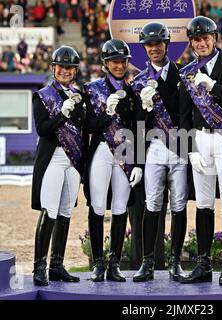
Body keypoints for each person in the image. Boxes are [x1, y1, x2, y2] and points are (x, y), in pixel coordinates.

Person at [178, 16, 222, 285]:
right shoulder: (186, 72)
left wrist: (215, 88)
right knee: (204, 203)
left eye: (205, 38)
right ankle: (203, 265)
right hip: (200, 140)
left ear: (214, 38)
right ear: (191, 42)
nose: (201, 43)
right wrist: (188, 149)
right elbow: (184, 117)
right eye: (196, 39)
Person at [132, 22, 188, 282]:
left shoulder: (183, 75)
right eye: (149, 45)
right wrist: (144, 106)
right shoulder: (139, 81)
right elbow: (137, 124)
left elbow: (188, 113)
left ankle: (176, 261)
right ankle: (148, 261)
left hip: (181, 144)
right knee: (151, 204)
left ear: (166, 45)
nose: (154, 49)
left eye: (158, 44)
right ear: (145, 48)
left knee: (178, 205)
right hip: (154, 146)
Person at [83, 39, 143, 282]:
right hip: (100, 149)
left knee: (120, 207)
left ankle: (114, 263)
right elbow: (87, 125)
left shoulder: (133, 90)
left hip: (124, 153)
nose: (119, 66)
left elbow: (138, 127)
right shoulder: (92, 88)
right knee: (97, 205)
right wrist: (106, 114)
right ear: (106, 63)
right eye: (115, 62)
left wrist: (138, 161)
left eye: (123, 61)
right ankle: (97, 263)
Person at [32, 46, 86, 286]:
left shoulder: (80, 96)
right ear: (54, 68)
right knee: (50, 211)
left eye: (69, 67)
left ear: (74, 71)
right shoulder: (43, 95)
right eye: (61, 67)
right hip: (53, 156)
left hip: (73, 160)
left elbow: (86, 128)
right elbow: (43, 129)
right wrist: (62, 114)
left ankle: (57, 265)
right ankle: (39, 267)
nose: (65, 71)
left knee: (65, 212)